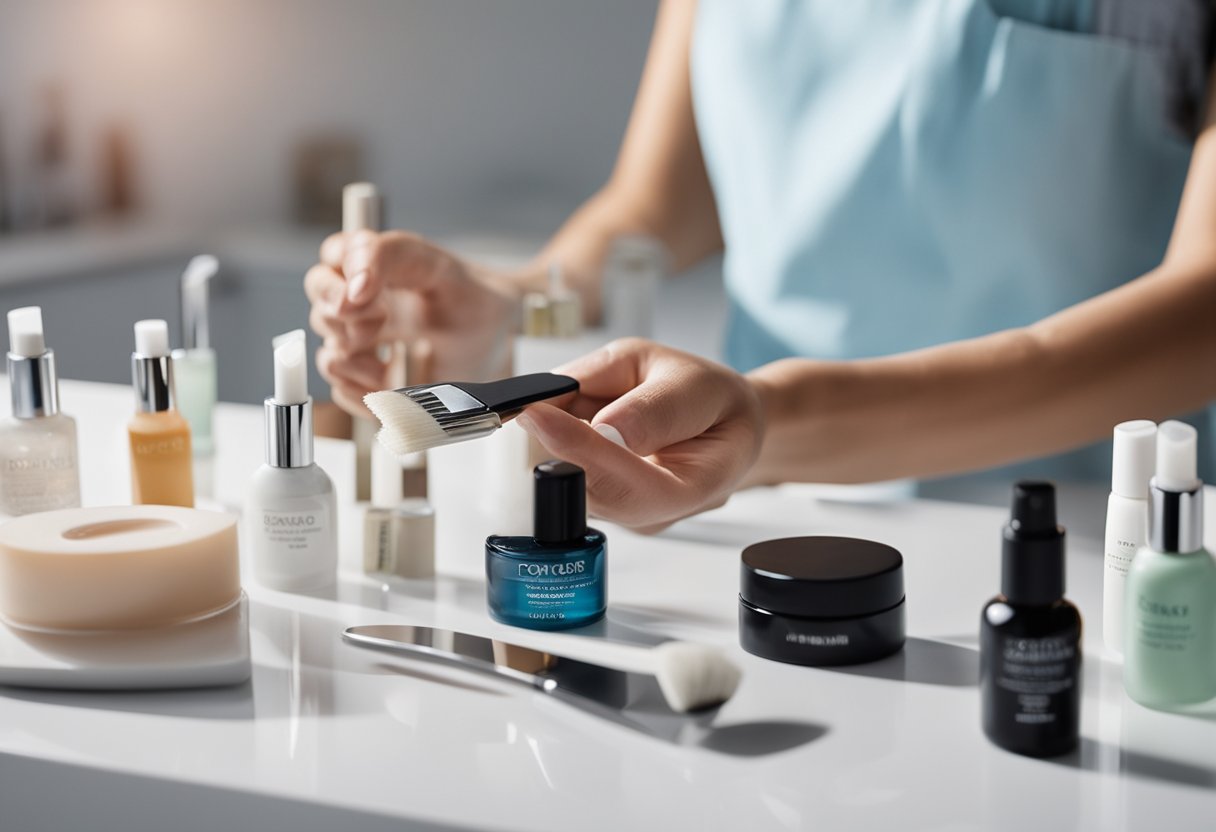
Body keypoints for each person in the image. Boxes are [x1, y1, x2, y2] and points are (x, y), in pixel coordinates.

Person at [306, 1, 1216, 531]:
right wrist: (514, 303)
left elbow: (1201, 312)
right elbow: (656, 206)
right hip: (749, 505)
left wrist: (773, 422)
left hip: (1092, 534)